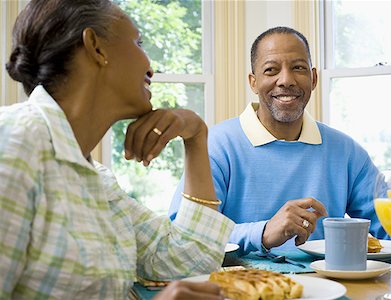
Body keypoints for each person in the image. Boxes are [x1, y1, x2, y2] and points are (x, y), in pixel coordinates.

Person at [0, 0, 234, 299]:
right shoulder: (14, 142)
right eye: (138, 42)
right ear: (96, 47)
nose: (151, 66)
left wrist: (196, 135)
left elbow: (187, 259)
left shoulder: (96, 181)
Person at [169, 26, 391, 256]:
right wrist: (264, 231)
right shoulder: (216, 145)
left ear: (313, 78)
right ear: (253, 82)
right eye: (271, 70)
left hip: (330, 289)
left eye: (299, 68)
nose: (286, 80)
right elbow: (182, 233)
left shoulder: (345, 151)